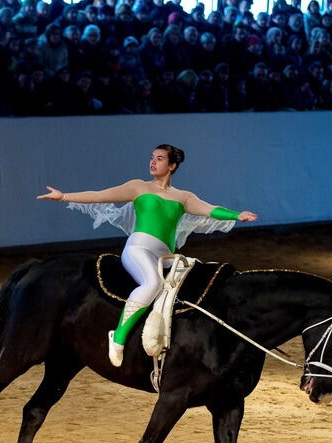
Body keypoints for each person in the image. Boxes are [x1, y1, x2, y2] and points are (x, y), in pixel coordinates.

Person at [37, 144, 257, 367]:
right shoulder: (138, 187)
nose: (153, 162)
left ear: (172, 165)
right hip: (138, 249)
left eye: (159, 158)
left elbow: (210, 209)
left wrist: (236, 214)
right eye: (152, 157)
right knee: (152, 283)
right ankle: (118, 336)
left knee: (191, 280)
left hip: (165, 257)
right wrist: (63, 196)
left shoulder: (183, 197)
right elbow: (100, 195)